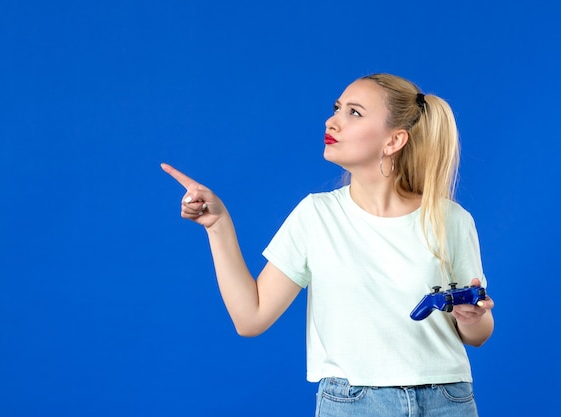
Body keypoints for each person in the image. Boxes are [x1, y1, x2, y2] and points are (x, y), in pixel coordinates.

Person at [161, 73, 494, 417]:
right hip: (353, 405)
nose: (332, 121)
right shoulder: (316, 215)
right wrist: (218, 226)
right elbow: (251, 318)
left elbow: (479, 333)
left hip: (446, 401)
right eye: (337, 108)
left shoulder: (450, 219)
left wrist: (471, 318)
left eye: (354, 112)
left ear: (394, 140)